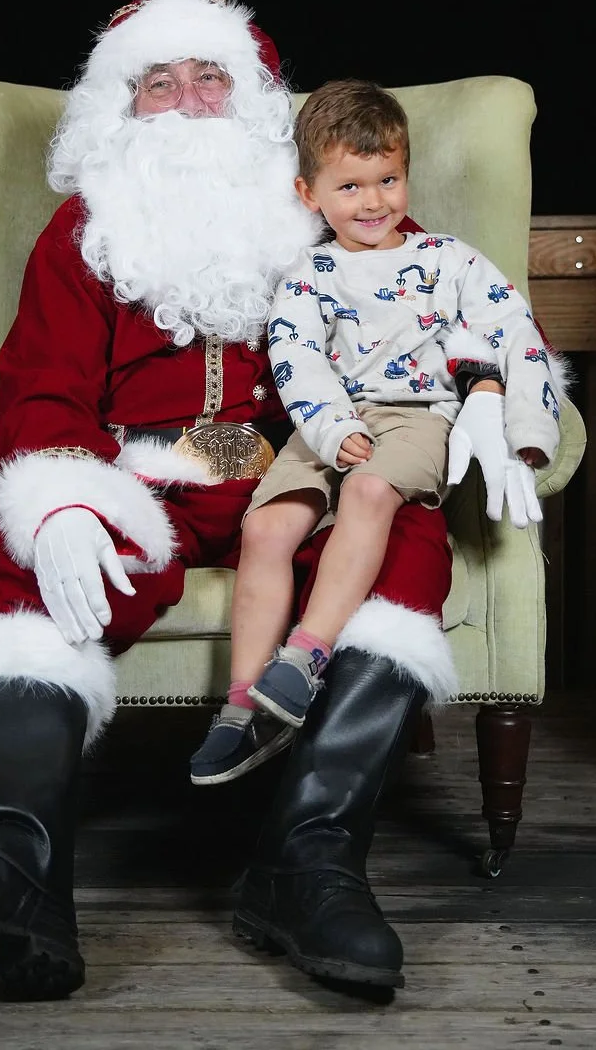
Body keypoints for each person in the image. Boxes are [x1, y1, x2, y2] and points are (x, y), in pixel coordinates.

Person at [0, 0, 567, 1000]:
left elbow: (433, 304)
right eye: (157, 82)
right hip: (143, 468)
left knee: (403, 543)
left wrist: (486, 396)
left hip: (294, 458)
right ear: (120, 107)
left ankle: (306, 861)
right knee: (33, 563)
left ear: (256, 101)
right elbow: (45, 383)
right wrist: (56, 501)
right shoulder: (83, 231)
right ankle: (17, 874)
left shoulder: (332, 202)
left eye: (210, 76)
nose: (186, 100)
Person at [189, 79, 560, 786]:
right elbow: (293, 356)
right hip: (329, 420)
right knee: (266, 528)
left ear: (406, 174)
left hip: (418, 419)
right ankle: (241, 706)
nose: (373, 201)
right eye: (351, 186)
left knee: (366, 493)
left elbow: (516, 333)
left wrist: (525, 428)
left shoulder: (448, 259)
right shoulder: (309, 272)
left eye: (388, 179)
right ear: (310, 195)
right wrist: (329, 429)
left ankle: (304, 656)